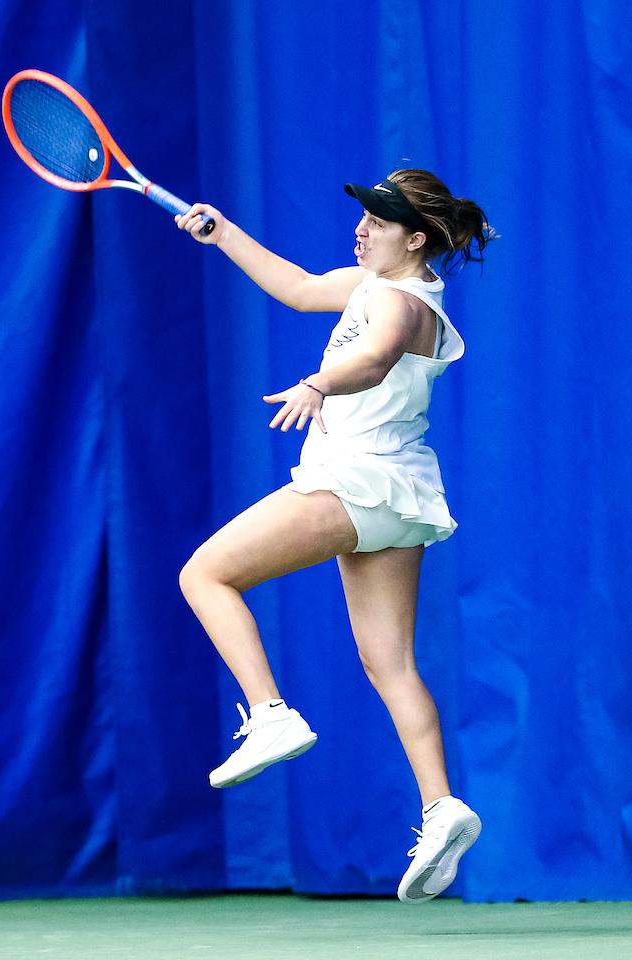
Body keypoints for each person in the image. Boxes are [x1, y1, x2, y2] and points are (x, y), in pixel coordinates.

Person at [175, 169, 493, 904]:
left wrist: (319, 384)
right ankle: (442, 806)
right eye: (364, 216)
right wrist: (223, 233)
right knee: (391, 664)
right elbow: (294, 286)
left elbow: (374, 358)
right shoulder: (380, 286)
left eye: (380, 222)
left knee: (205, 575)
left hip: (355, 479)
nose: (362, 228)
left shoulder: (399, 304)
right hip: (400, 494)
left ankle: (269, 715)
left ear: (416, 239)